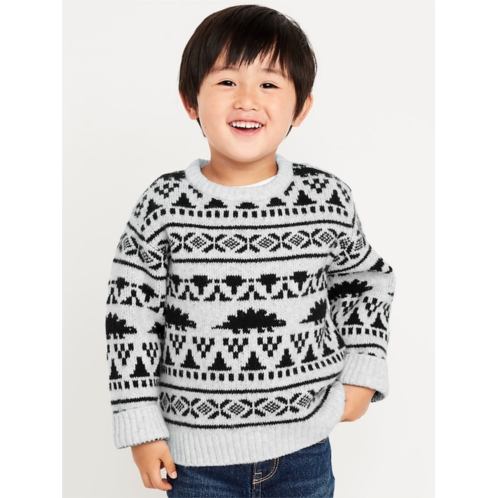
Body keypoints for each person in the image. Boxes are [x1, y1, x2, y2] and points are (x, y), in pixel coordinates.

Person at [105, 5, 396, 497]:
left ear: (300, 107)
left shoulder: (326, 199)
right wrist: (141, 427)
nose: (247, 100)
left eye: (269, 84)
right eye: (226, 82)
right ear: (190, 100)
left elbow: (365, 281)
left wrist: (364, 372)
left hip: (306, 447)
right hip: (194, 462)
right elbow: (128, 318)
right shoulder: (163, 205)